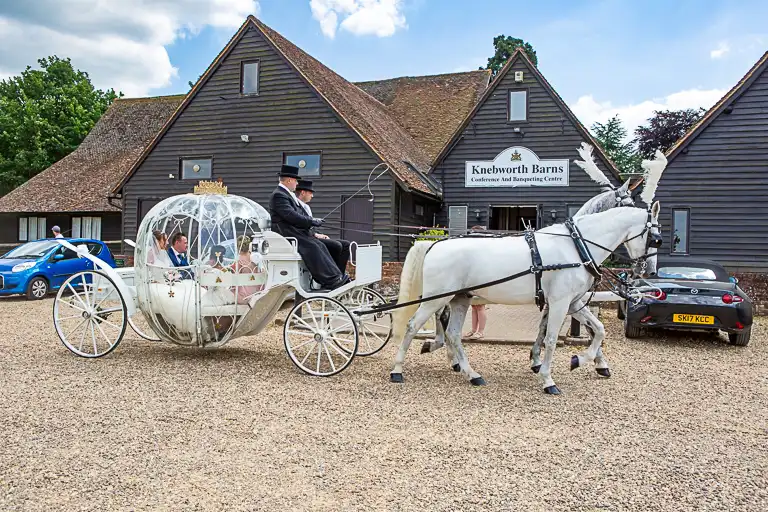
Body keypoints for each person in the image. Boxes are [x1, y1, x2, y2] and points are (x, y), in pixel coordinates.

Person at [269, 165, 349, 290]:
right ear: (289, 180)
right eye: (295, 181)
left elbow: (296, 215)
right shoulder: (279, 195)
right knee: (314, 246)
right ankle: (330, 279)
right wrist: (311, 221)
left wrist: (312, 222)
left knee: (319, 244)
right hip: (287, 233)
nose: (296, 184)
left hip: (294, 231)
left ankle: (334, 277)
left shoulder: (285, 194)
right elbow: (291, 216)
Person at [295, 179, 351, 275]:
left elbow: (309, 226)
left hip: (312, 236)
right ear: (303, 192)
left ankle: (340, 274)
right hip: (305, 239)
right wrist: (315, 235)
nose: (312, 196)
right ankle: (332, 275)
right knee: (336, 246)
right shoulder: (296, 207)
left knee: (345, 244)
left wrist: (318, 234)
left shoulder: (306, 207)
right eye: (310, 193)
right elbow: (300, 226)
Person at [464, 225, 490, 340]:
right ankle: (474, 330)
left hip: (481, 279)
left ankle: (481, 331)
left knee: (480, 306)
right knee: (474, 306)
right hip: (473, 279)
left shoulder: (483, 248)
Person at [228, 235, 265, 304]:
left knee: (227, 292)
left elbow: (232, 279)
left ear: (237, 247)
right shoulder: (255, 257)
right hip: (258, 292)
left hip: (245, 296)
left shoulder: (239, 261)